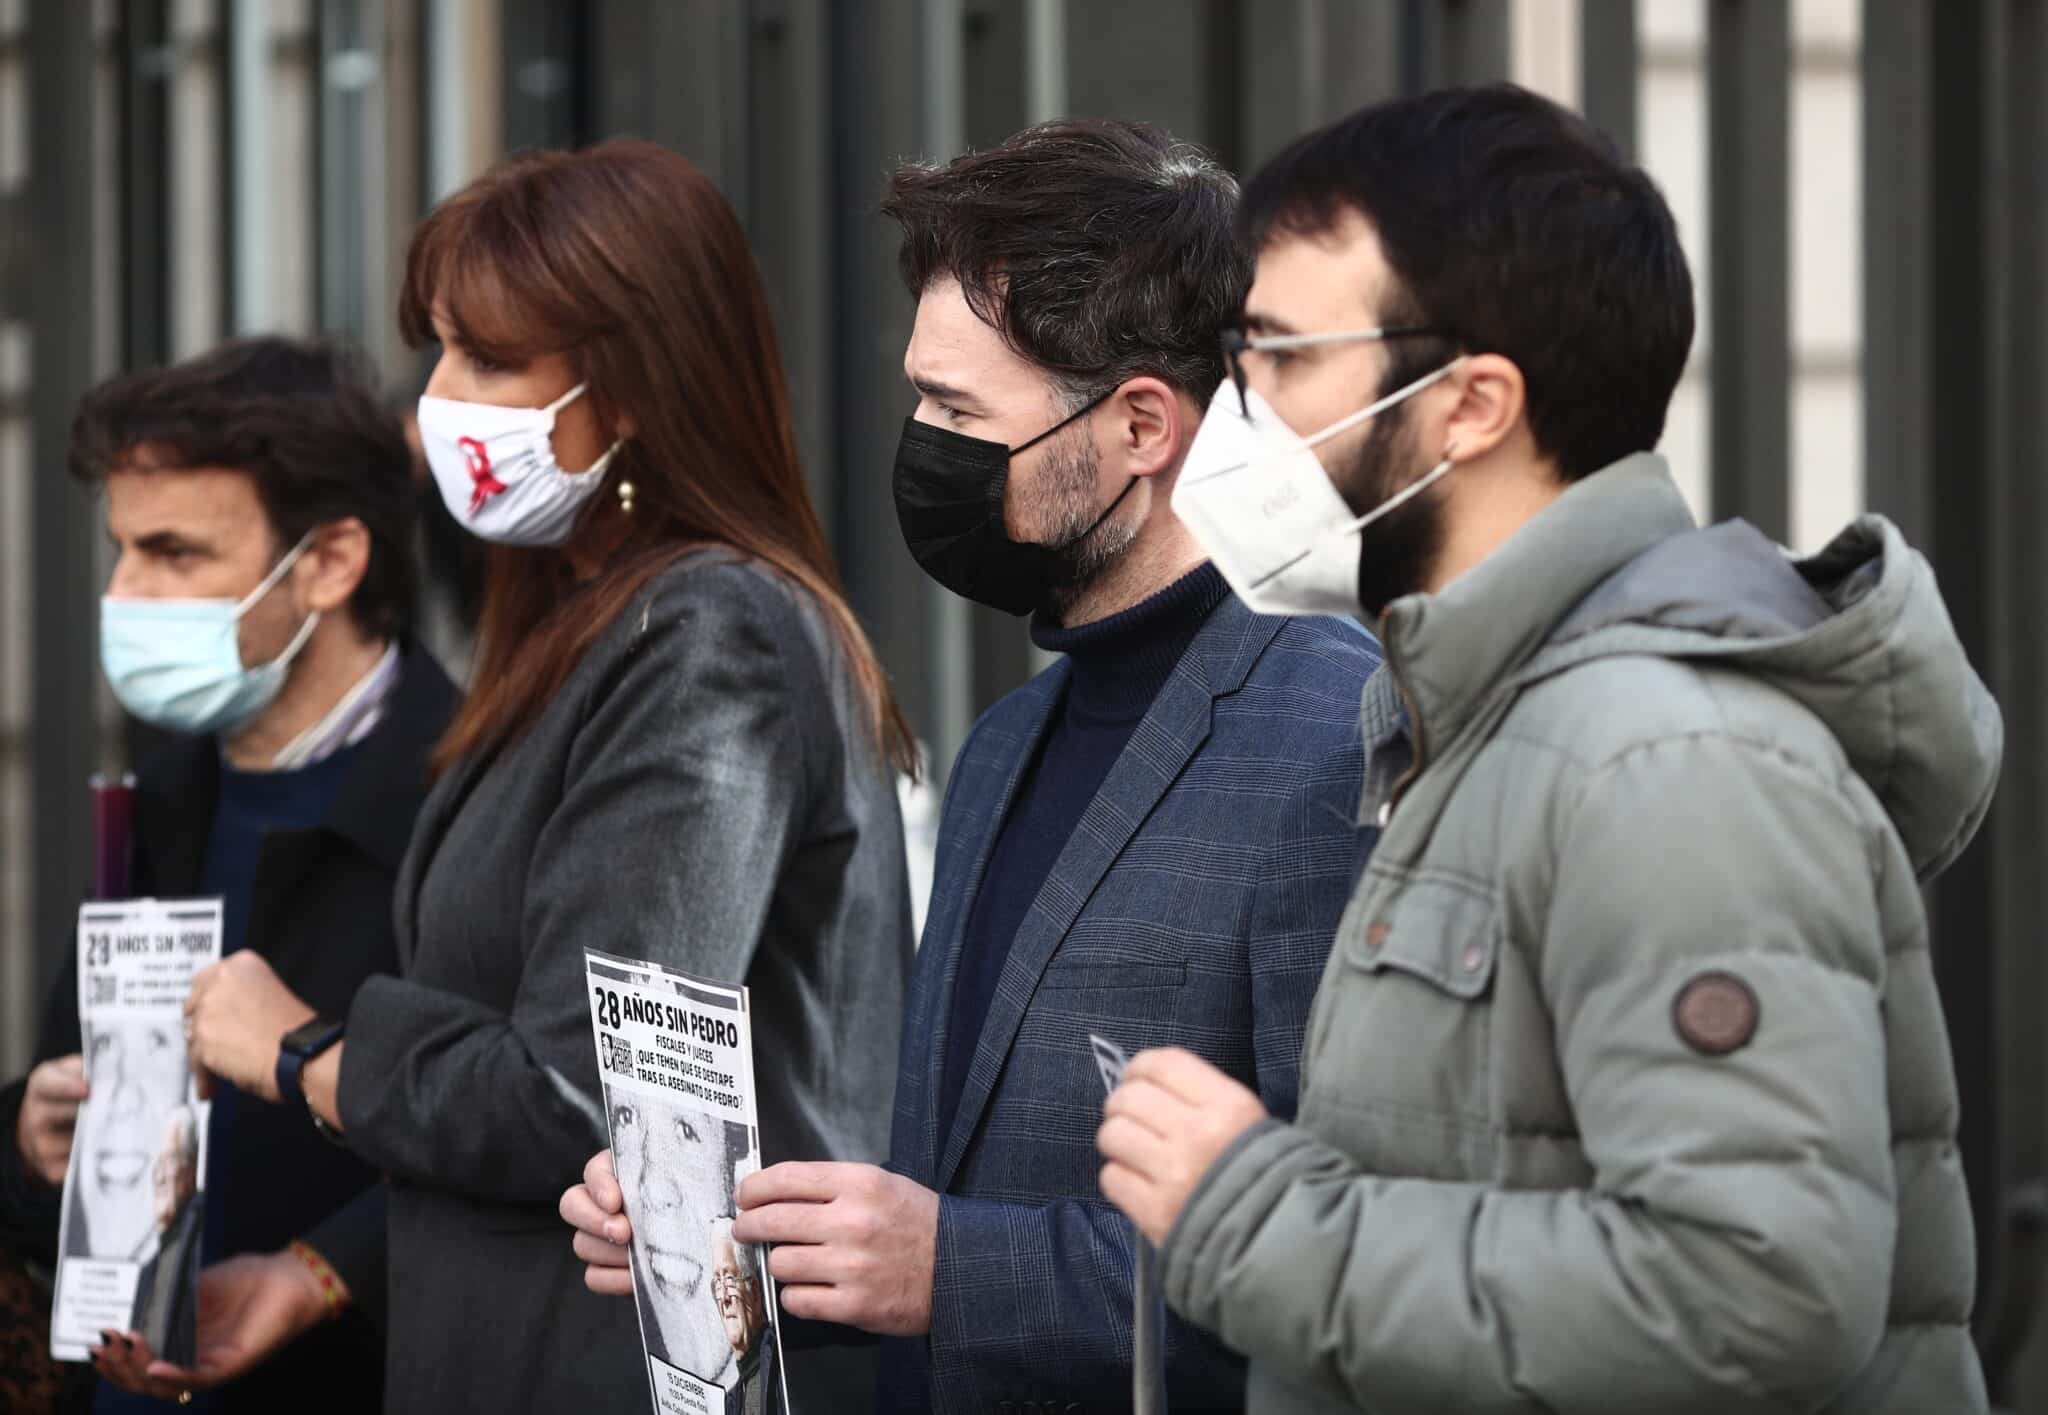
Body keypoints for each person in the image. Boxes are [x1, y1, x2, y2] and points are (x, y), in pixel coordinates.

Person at [1095, 84, 2000, 1414]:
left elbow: (1752, 1290)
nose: (1238, 408)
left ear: (1471, 406)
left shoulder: (1663, 762)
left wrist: (1252, 1213)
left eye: (1281, 355)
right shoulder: (1493, 719)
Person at [566, 118, 1383, 1412]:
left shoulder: (1328, 733)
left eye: (957, 408)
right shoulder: (1009, 741)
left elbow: (1349, 1255)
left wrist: (958, 1266)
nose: (920, 444)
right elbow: (935, 1186)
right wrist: (733, 1229)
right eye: (919, 397)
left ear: (1138, 426)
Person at [164, 140, 916, 1415]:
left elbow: (584, 1089)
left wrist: (301, 1051)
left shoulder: (709, 635)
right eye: (440, 353)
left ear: (628, 386)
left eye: (491, 360)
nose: (436, 403)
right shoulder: (582, 621)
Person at [0, 336, 456, 1415]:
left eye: (174, 554)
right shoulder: (154, 804)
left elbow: (524, 1134)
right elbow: (66, 1115)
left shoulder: (467, 800)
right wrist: (31, 1137)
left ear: (331, 561)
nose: (124, 594)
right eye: (120, 550)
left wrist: (323, 1274)